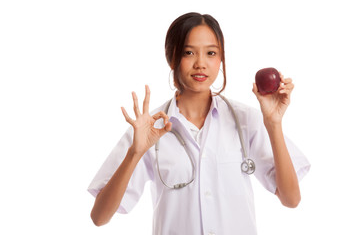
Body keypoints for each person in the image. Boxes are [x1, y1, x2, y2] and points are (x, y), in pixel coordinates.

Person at [88, 12, 310, 234]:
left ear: (221, 59)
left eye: (211, 53)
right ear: (172, 58)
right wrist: (134, 153)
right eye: (189, 53)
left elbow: (291, 199)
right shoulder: (148, 129)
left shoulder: (246, 120)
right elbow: (99, 217)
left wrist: (273, 124)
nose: (201, 64)